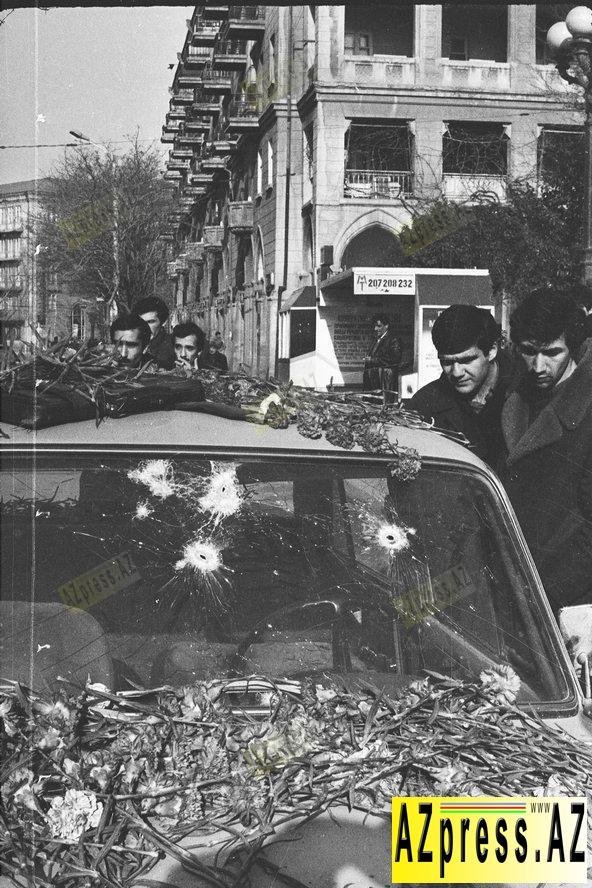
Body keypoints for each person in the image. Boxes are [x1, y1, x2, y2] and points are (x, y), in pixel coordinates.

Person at [500, 289, 592, 614]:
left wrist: (545, 593)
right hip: (514, 578)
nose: (538, 366)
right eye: (529, 351)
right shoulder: (515, 397)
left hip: (563, 596)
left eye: (552, 353)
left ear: (574, 347)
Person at [409, 304, 512, 467]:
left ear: (492, 350)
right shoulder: (422, 404)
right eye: (447, 362)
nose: (456, 373)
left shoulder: (525, 394)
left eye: (466, 360)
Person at [363, 315, 402, 404]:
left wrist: (372, 360)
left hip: (384, 380)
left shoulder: (393, 339)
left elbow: (395, 359)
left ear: (386, 326)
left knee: (383, 405)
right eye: (374, 326)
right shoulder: (376, 339)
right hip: (373, 380)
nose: (375, 329)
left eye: (379, 326)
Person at [133, 296, 175, 370]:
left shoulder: (174, 347)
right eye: (140, 322)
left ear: (164, 322)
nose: (145, 327)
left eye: (150, 322)